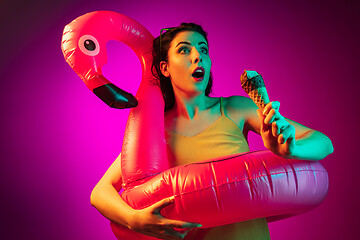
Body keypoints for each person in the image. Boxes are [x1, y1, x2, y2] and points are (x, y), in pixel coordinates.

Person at [90, 23, 334, 240]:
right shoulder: (154, 129)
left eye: (203, 50)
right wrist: (134, 219)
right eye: (184, 50)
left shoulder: (236, 108)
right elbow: (100, 192)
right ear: (165, 68)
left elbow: (324, 142)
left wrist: (291, 148)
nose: (198, 56)